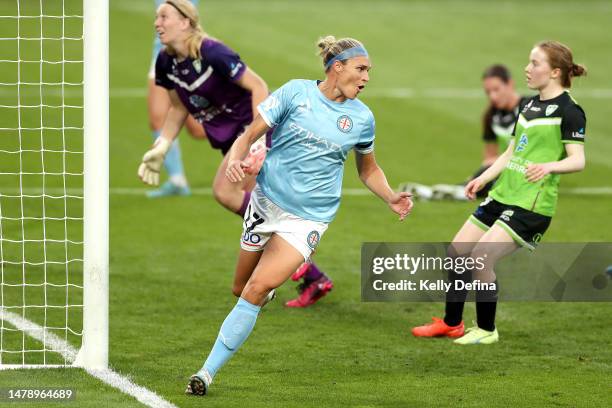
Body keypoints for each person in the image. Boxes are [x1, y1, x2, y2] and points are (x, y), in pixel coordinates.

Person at [178, 35, 413, 395]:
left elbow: (368, 170)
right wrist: (239, 158)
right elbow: (250, 133)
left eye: (369, 71)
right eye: (361, 69)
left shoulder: (362, 119)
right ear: (337, 68)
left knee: (256, 288)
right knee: (241, 288)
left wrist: (390, 197)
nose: (366, 77)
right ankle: (262, 296)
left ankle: (205, 373)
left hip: (308, 220)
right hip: (265, 202)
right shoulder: (294, 94)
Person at [138, 0, 334, 307]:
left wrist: (256, 140)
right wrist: (161, 146)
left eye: (164, 16)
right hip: (232, 141)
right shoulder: (166, 62)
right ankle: (309, 271)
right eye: (156, 16)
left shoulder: (214, 52)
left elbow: (259, 86)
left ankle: (299, 262)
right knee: (261, 207)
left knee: (229, 193)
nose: (156, 23)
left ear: (186, 22)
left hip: (253, 132)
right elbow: (178, 108)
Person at [411, 40, 587, 344]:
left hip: (531, 205)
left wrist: (548, 166)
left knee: (481, 258)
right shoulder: (528, 104)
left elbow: (578, 160)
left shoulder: (570, 112)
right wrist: (483, 178)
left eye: (535, 63)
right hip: (503, 194)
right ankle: (452, 323)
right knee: (456, 254)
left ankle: (487, 330)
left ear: (555, 71)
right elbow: (509, 153)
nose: (527, 69)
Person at [401, 64, 529, 201]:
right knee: (491, 173)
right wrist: (481, 175)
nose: (493, 96)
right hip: (508, 168)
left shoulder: (530, 108)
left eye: (496, 89)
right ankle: (460, 188)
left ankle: (457, 190)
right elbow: (489, 157)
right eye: (488, 92)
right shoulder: (490, 116)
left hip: (530, 169)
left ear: (510, 84)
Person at [146, 0, 203, 198]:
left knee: (197, 129)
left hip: (187, 52)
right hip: (161, 53)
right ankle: (177, 180)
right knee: (157, 118)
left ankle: (246, 135)